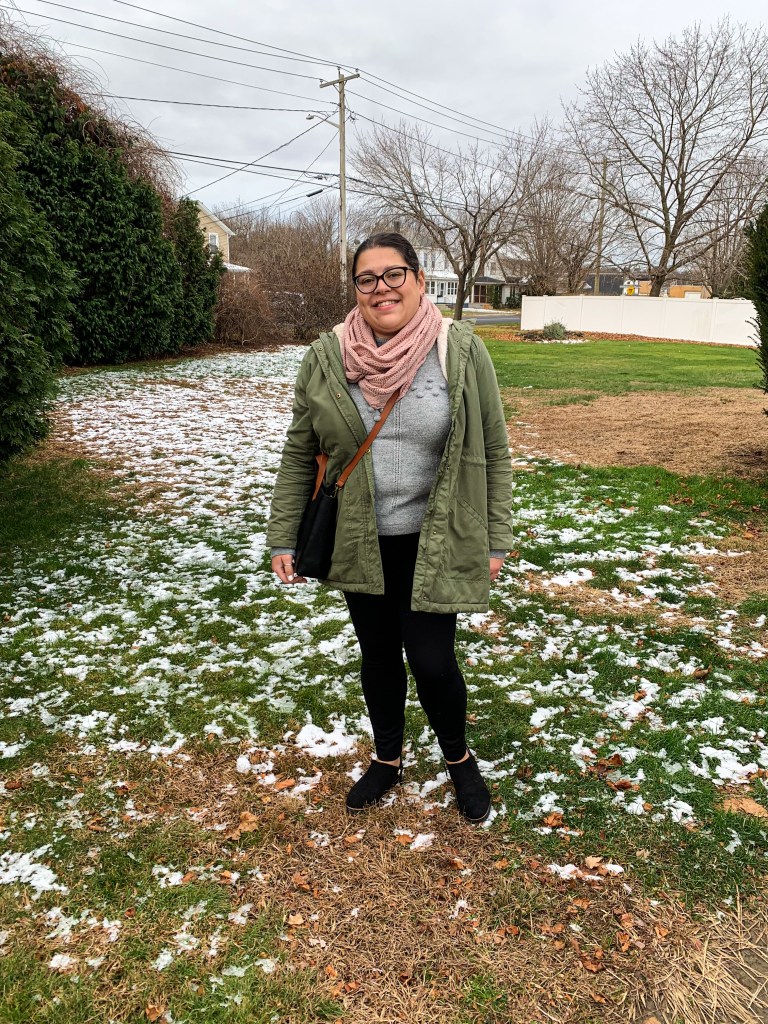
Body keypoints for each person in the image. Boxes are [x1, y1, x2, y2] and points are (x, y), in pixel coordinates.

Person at [267, 233, 513, 823]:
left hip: (437, 539)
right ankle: (387, 759)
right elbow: (300, 453)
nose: (382, 288)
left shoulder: (460, 350)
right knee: (377, 655)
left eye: (394, 274)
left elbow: (494, 448)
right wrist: (282, 536)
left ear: (419, 280)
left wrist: (496, 537)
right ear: (356, 289)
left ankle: (458, 759)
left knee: (432, 661)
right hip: (359, 538)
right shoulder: (327, 358)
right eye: (367, 278)